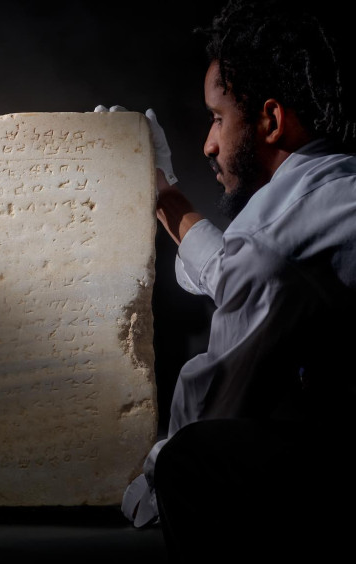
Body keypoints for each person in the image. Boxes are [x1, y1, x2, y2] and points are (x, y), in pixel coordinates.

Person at [101, 0, 356, 561]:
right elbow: (234, 272)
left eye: (217, 118)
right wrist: (163, 190)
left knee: (190, 460)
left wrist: (151, 479)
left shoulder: (270, 240)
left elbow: (215, 402)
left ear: (270, 120)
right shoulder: (332, 188)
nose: (208, 144)